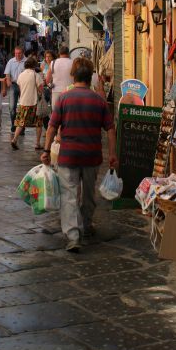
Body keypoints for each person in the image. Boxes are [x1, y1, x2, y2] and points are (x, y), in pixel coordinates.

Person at [41, 58, 118, 253]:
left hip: (69, 156)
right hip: (92, 156)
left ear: (73, 75)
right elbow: (110, 129)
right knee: (88, 194)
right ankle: (86, 224)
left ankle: (73, 235)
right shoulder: (98, 100)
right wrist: (113, 154)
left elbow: (51, 127)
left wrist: (46, 150)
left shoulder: (64, 99)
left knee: (69, 195)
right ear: (89, 76)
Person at [11, 56, 43, 150]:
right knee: (38, 124)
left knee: (21, 123)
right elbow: (41, 89)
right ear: (34, 65)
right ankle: (37, 143)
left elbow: (20, 86)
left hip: (23, 102)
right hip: (34, 103)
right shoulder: (35, 75)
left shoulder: (21, 75)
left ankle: (14, 139)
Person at [4, 46, 26, 134]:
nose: (17, 55)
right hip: (13, 85)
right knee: (12, 107)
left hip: (24, 86)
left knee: (23, 107)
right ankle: (14, 124)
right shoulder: (11, 61)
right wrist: (8, 81)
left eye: (19, 53)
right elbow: (7, 73)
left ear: (22, 53)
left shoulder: (27, 61)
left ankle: (22, 127)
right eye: (16, 53)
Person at [45, 45, 73, 111]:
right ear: (68, 53)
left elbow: (47, 80)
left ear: (59, 53)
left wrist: (50, 87)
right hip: (70, 91)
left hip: (56, 91)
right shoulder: (73, 62)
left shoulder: (53, 63)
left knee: (56, 114)